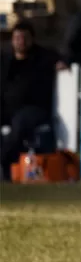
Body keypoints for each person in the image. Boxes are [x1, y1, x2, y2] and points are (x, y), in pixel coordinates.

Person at [0, 21, 61, 180]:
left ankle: (3, 161)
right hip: (8, 109)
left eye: (25, 38)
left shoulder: (44, 57)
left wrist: (62, 63)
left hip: (34, 109)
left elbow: (62, 57)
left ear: (32, 39)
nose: (21, 41)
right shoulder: (5, 61)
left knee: (19, 124)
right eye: (17, 38)